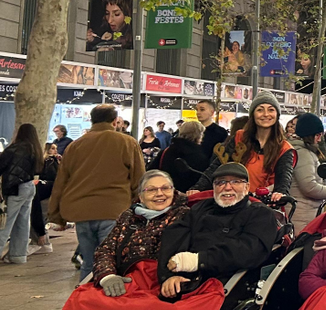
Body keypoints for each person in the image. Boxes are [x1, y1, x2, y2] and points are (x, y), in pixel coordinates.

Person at [49, 104, 144, 280]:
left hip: (81, 211)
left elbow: (61, 181)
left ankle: (84, 298)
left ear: (91, 120)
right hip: (114, 209)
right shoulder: (127, 142)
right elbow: (139, 179)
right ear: (115, 121)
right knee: (111, 261)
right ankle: (107, 302)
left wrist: (56, 215)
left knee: (89, 262)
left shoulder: (75, 145)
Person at [158, 162, 278, 299]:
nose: (227, 187)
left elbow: (250, 250)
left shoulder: (260, 214)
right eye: (221, 182)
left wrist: (199, 260)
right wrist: (169, 276)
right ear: (214, 188)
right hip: (185, 281)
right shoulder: (200, 208)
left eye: (235, 182)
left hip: (226, 285)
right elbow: (174, 237)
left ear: (247, 187)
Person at [92, 171, 189, 297]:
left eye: (165, 188)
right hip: (123, 280)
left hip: (161, 285)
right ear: (141, 197)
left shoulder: (185, 215)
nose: (159, 194)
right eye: (151, 190)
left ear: (173, 191)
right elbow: (106, 249)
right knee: (81, 300)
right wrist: (107, 276)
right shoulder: (128, 216)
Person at [193, 92, 294, 200]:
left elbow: (284, 177)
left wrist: (280, 192)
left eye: (271, 110)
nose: (265, 114)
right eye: (260, 110)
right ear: (253, 115)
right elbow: (217, 165)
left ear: (277, 114)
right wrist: (198, 188)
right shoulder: (239, 137)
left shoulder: (284, 148)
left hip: (264, 204)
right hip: (233, 199)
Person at [0, 123, 43, 264]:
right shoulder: (35, 148)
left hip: (15, 188)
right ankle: (18, 256)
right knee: (23, 223)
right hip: (29, 186)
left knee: (5, 223)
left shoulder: (15, 148)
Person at [290, 113, 326, 228]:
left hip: (303, 212)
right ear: (310, 135)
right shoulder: (303, 153)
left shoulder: (300, 151)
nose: (319, 139)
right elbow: (309, 187)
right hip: (303, 214)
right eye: (318, 135)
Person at [158, 121, 208, 191]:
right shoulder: (199, 156)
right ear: (198, 135)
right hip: (189, 196)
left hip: (165, 191)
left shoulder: (166, 151)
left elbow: (152, 171)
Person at [29, 143, 59, 254]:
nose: (55, 150)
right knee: (41, 217)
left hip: (44, 192)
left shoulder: (49, 162)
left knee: (39, 216)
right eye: (52, 148)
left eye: (55, 148)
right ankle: (42, 242)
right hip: (48, 192)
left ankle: (41, 243)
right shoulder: (52, 162)